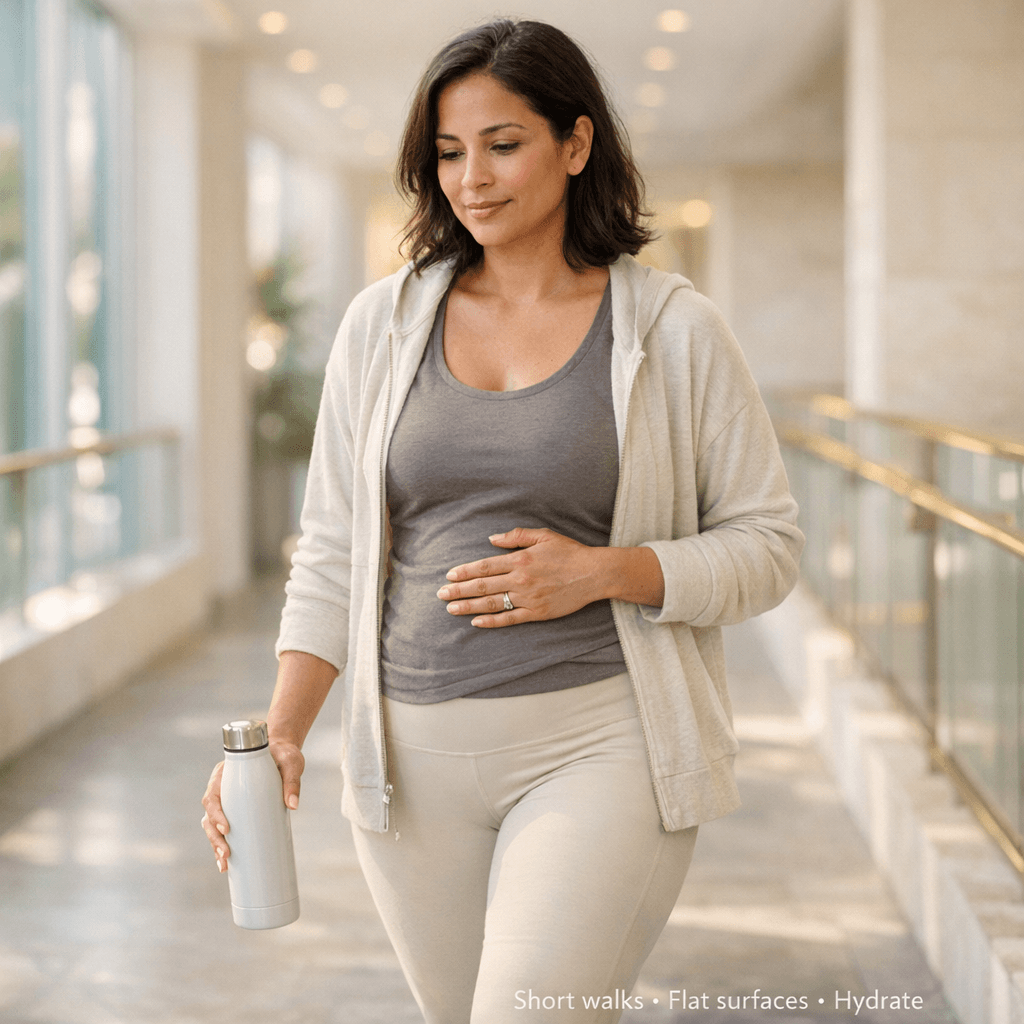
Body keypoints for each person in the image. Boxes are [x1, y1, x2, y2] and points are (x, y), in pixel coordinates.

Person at [202, 18, 803, 1024]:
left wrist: (607, 570)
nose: (470, 177)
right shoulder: (381, 324)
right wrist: (286, 730)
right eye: (446, 152)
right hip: (408, 768)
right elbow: (336, 546)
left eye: (502, 143)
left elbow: (768, 545)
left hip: (600, 745)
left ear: (575, 146)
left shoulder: (672, 330)